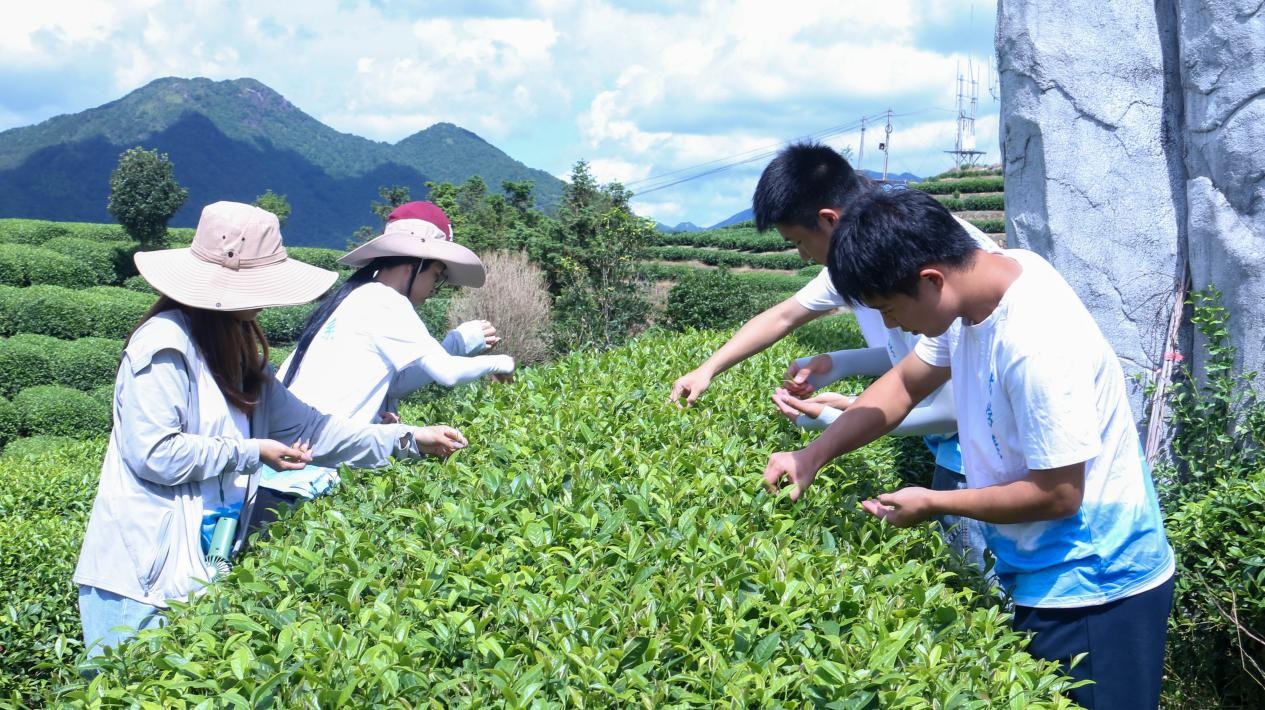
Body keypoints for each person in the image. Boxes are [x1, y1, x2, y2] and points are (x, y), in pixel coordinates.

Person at [762, 188, 1174, 709]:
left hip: (1096, 585)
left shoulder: (1036, 343)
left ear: (931, 280)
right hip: (1044, 572)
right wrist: (811, 456)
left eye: (889, 308)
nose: (890, 326)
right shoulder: (978, 292)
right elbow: (903, 384)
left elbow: (1058, 494)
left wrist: (933, 503)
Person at [73, 201, 469, 659]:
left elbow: (314, 428)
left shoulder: (239, 354)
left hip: (197, 572)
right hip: (138, 580)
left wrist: (409, 439)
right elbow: (155, 453)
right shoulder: (164, 345)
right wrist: (251, 451)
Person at [668, 142, 994, 576]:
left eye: (799, 242)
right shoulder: (876, 244)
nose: (803, 257)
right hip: (962, 441)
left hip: (975, 452)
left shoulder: (918, 256)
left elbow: (949, 404)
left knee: (985, 582)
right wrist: (836, 364)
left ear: (828, 220)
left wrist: (834, 422)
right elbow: (912, 363)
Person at [260, 201, 514, 502]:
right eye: (436, 275)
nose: (435, 287)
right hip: (307, 473)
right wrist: (502, 362)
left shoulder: (358, 296)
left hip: (281, 471)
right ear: (415, 264)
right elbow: (447, 373)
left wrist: (458, 342)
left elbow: (397, 383)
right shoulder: (386, 301)